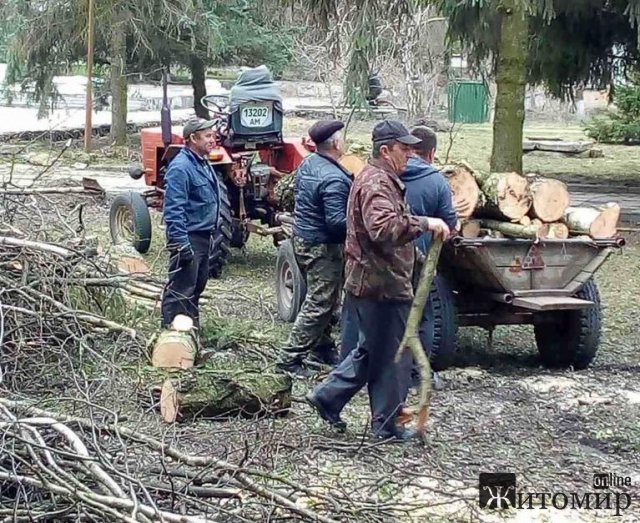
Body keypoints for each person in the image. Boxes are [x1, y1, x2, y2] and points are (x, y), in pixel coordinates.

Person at [305, 120, 450, 441]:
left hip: (377, 280)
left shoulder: (382, 179)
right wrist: (425, 222)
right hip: (379, 285)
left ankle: (328, 397)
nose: (410, 155)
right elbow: (382, 228)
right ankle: (386, 426)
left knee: (372, 350)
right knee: (394, 357)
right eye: (404, 149)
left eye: (414, 149)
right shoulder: (376, 183)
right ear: (385, 150)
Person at [276, 120, 353, 374]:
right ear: (336, 143)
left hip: (303, 239)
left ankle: (322, 347)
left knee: (326, 299)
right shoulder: (334, 178)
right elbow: (336, 223)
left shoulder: (309, 164)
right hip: (323, 247)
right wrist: (360, 227)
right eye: (343, 138)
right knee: (319, 302)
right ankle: (289, 359)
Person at [160, 117, 220, 329]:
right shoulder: (180, 168)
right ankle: (170, 332)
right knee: (181, 289)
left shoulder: (203, 163)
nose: (212, 140)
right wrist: (181, 244)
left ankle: (190, 329)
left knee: (196, 287)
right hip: (189, 237)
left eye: (213, 135)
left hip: (204, 236)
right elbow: (173, 210)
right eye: (207, 136)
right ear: (192, 138)